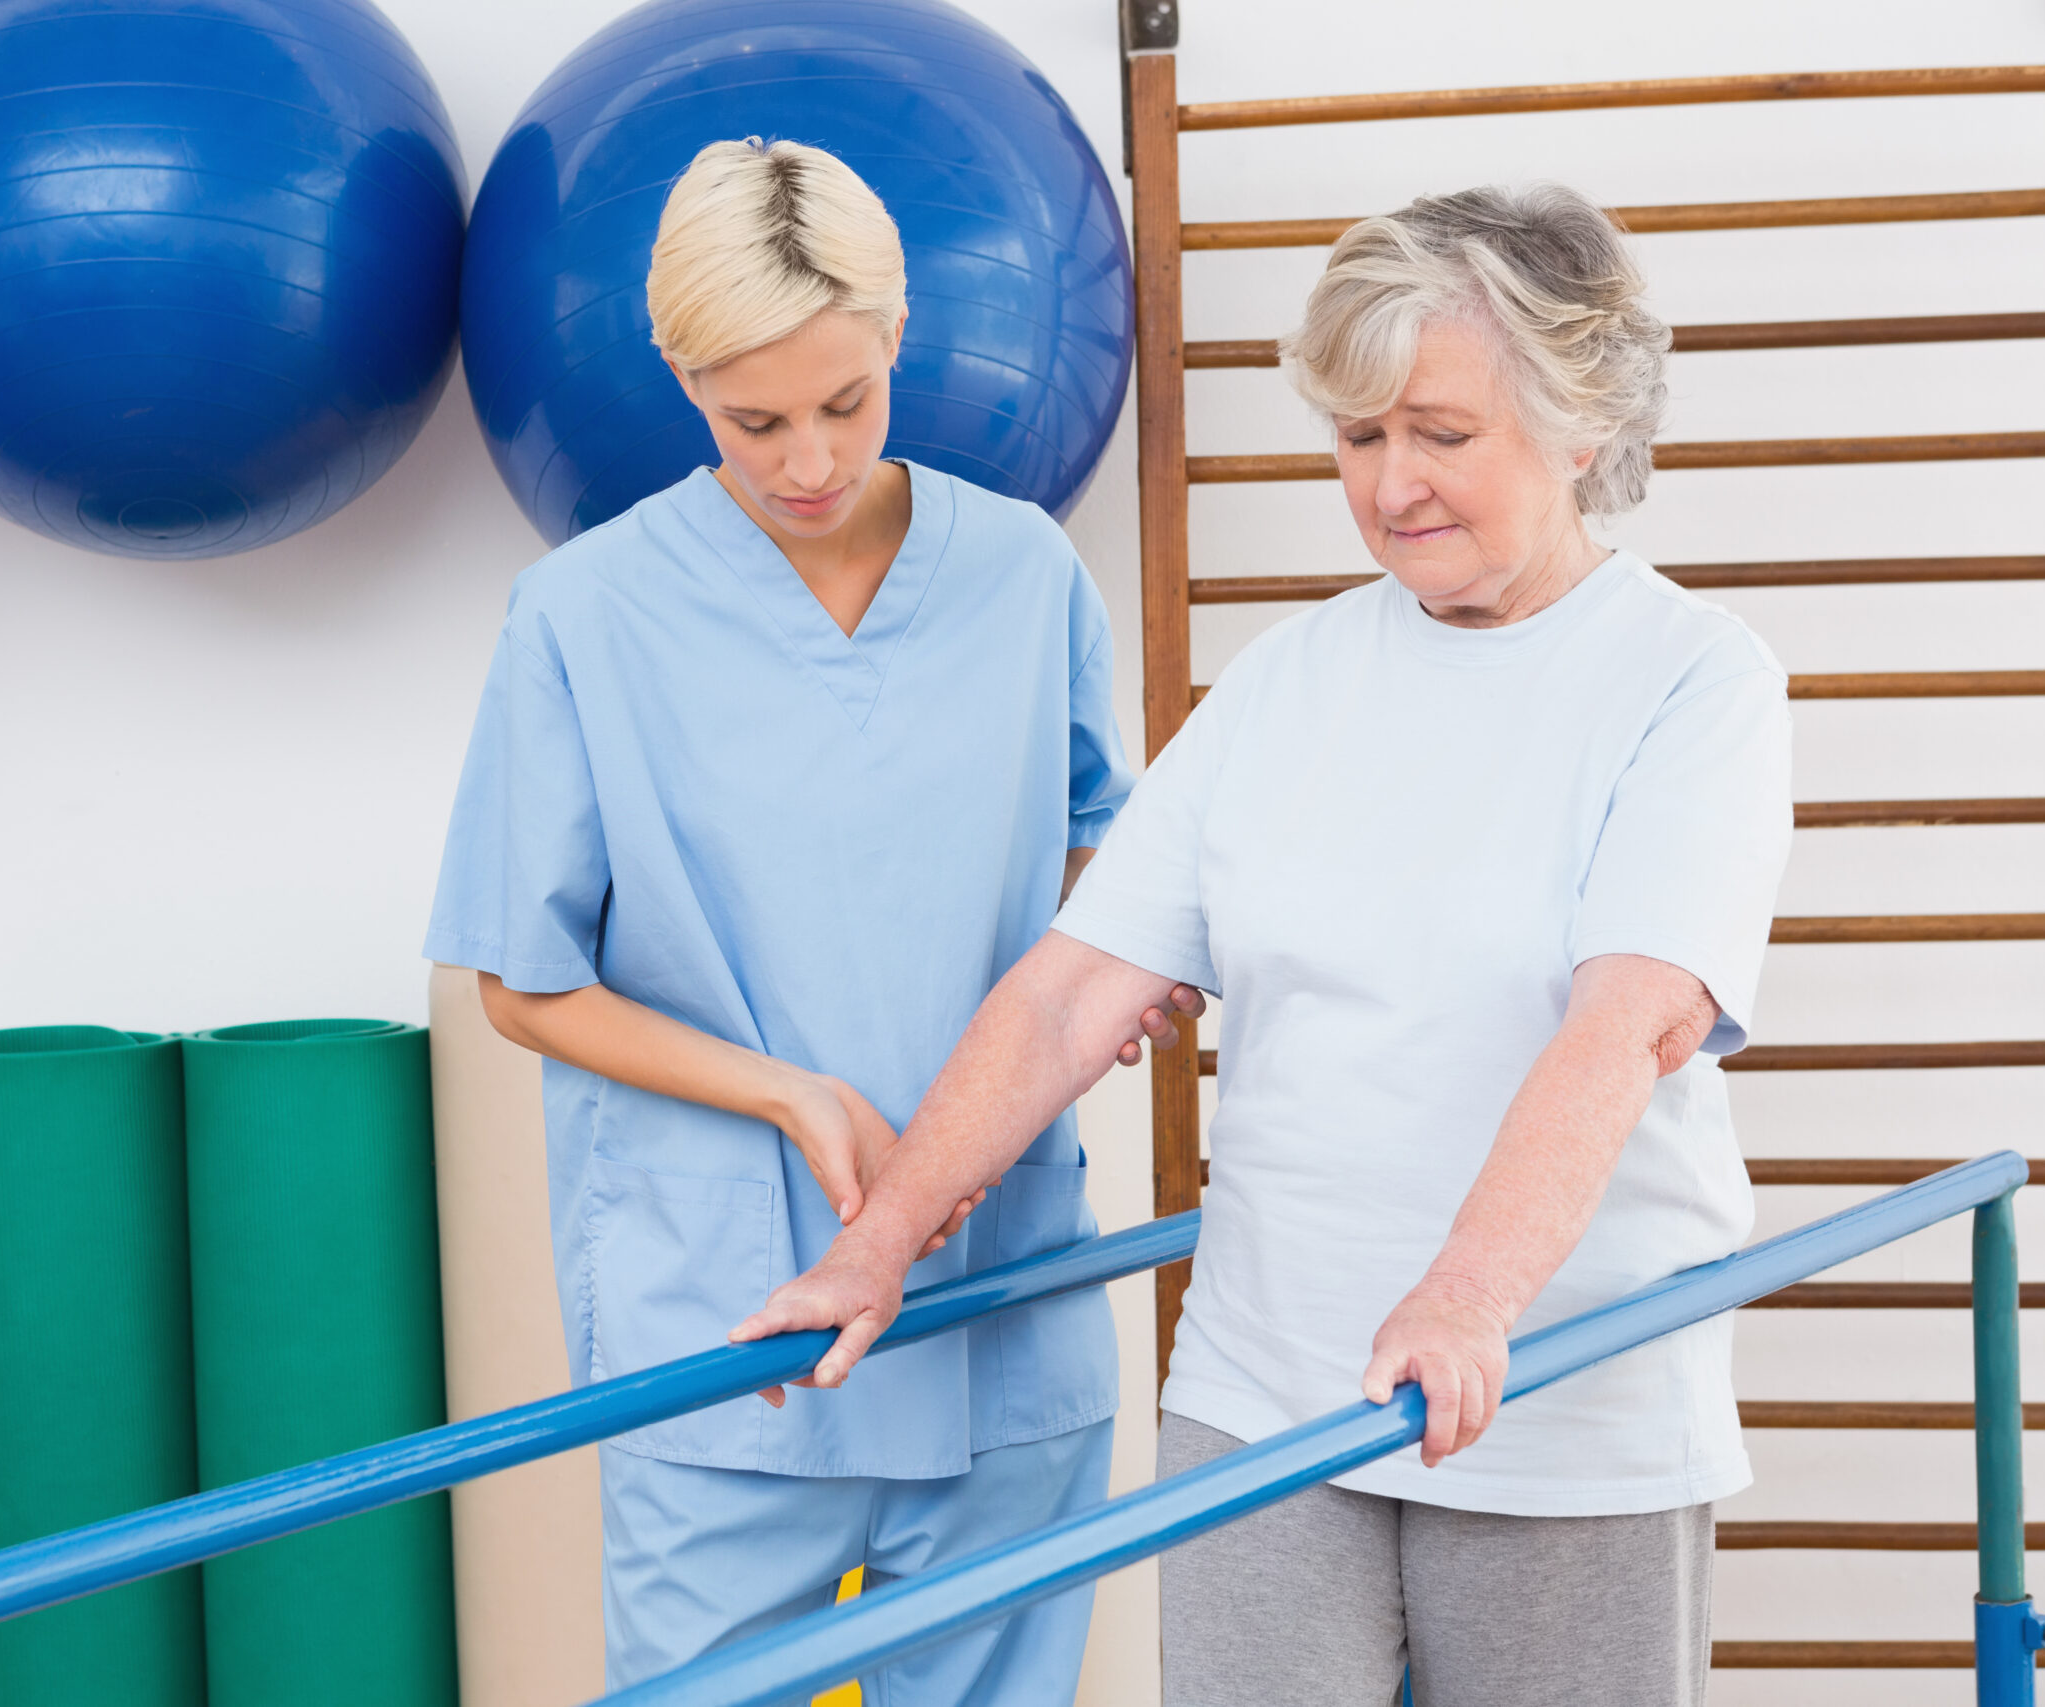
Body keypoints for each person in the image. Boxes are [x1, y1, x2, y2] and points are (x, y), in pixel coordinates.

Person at [735, 183, 1796, 1707]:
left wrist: (1466, 1299)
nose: (1393, 485)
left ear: (1580, 427)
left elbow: (1621, 1025)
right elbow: (1066, 997)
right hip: (1265, 1392)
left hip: (1562, 1395)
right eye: (1361, 439)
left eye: (1443, 433)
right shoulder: (1291, 680)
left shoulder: (1692, 682)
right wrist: (876, 1246)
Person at [425, 137, 1172, 1702]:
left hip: (998, 1292)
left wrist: (1128, 978)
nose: (809, 460)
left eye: (846, 402)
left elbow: (1120, 866)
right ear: (682, 376)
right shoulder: (586, 613)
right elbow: (521, 983)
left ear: (898, 339)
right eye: (753, 419)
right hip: (726, 1318)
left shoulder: (1027, 579)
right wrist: (788, 1091)